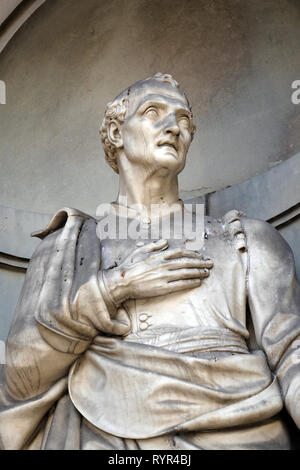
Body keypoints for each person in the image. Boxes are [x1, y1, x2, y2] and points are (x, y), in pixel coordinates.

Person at [0, 73, 299, 450]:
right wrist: (113, 289)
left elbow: (292, 354)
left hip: (242, 430)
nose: (173, 127)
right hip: (104, 435)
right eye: (153, 112)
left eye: (184, 120)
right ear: (115, 134)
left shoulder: (247, 240)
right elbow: (22, 381)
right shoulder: (69, 247)